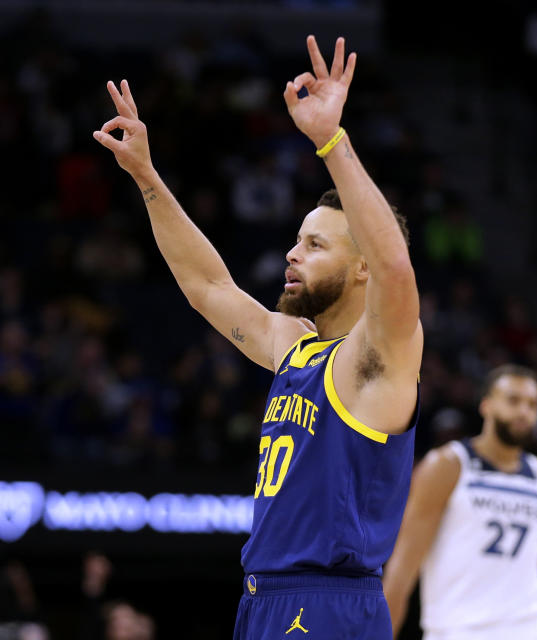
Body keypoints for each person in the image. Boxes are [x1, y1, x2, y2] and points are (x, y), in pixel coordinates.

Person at [94, 36, 422, 639]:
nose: (291, 256)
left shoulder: (378, 360)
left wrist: (332, 141)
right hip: (262, 596)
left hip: (328, 602)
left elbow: (398, 270)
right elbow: (206, 285)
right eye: (297, 240)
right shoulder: (294, 345)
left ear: (362, 267)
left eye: (315, 245)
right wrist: (144, 175)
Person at [383, 365, 537, 640]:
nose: (524, 412)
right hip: (457, 630)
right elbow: (403, 569)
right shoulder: (447, 466)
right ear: (486, 405)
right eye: (513, 400)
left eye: (532, 404)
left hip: (529, 629)